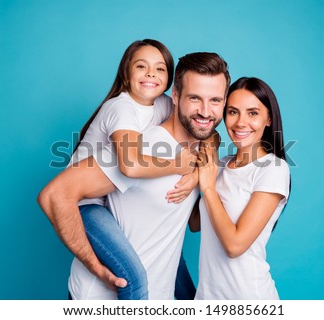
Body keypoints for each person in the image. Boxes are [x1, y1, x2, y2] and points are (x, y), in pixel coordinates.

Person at [37, 51, 231, 299]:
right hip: (103, 298)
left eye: (215, 100)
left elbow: (194, 223)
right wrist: (94, 266)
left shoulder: (202, 149)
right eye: (195, 98)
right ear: (175, 96)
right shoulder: (142, 149)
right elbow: (55, 194)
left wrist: (207, 181)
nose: (205, 111)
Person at [63, 39, 198, 300]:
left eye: (159, 69)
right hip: (87, 204)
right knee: (134, 279)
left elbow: (205, 128)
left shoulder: (162, 104)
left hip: (114, 202)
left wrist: (196, 174)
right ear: (126, 72)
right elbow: (130, 164)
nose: (151, 74)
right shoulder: (121, 107)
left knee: (177, 273)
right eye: (141, 66)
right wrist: (178, 165)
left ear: (169, 78)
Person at [194, 77, 291, 299]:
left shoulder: (273, 169)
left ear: (269, 119)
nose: (240, 122)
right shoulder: (219, 165)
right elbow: (195, 223)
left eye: (253, 113)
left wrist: (208, 188)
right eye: (233, 112)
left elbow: (235, 245)